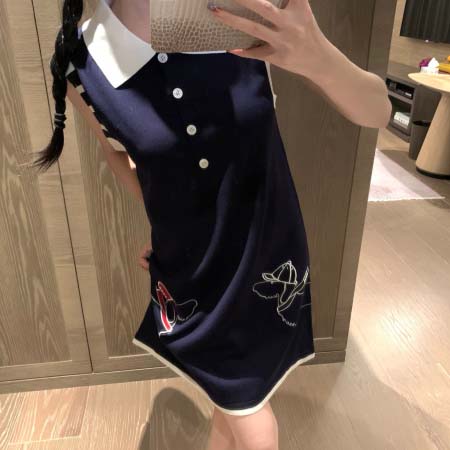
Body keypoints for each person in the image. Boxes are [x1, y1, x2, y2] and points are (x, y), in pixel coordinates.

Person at [32, 0, 391, 449]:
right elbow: (119, 155)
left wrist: (318, 56)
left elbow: (378, 111)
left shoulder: (240, 10)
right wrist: (166, 220)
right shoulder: (83, 59)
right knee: (235, 401)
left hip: (267, 259)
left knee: (243, 405)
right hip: (191, 269)